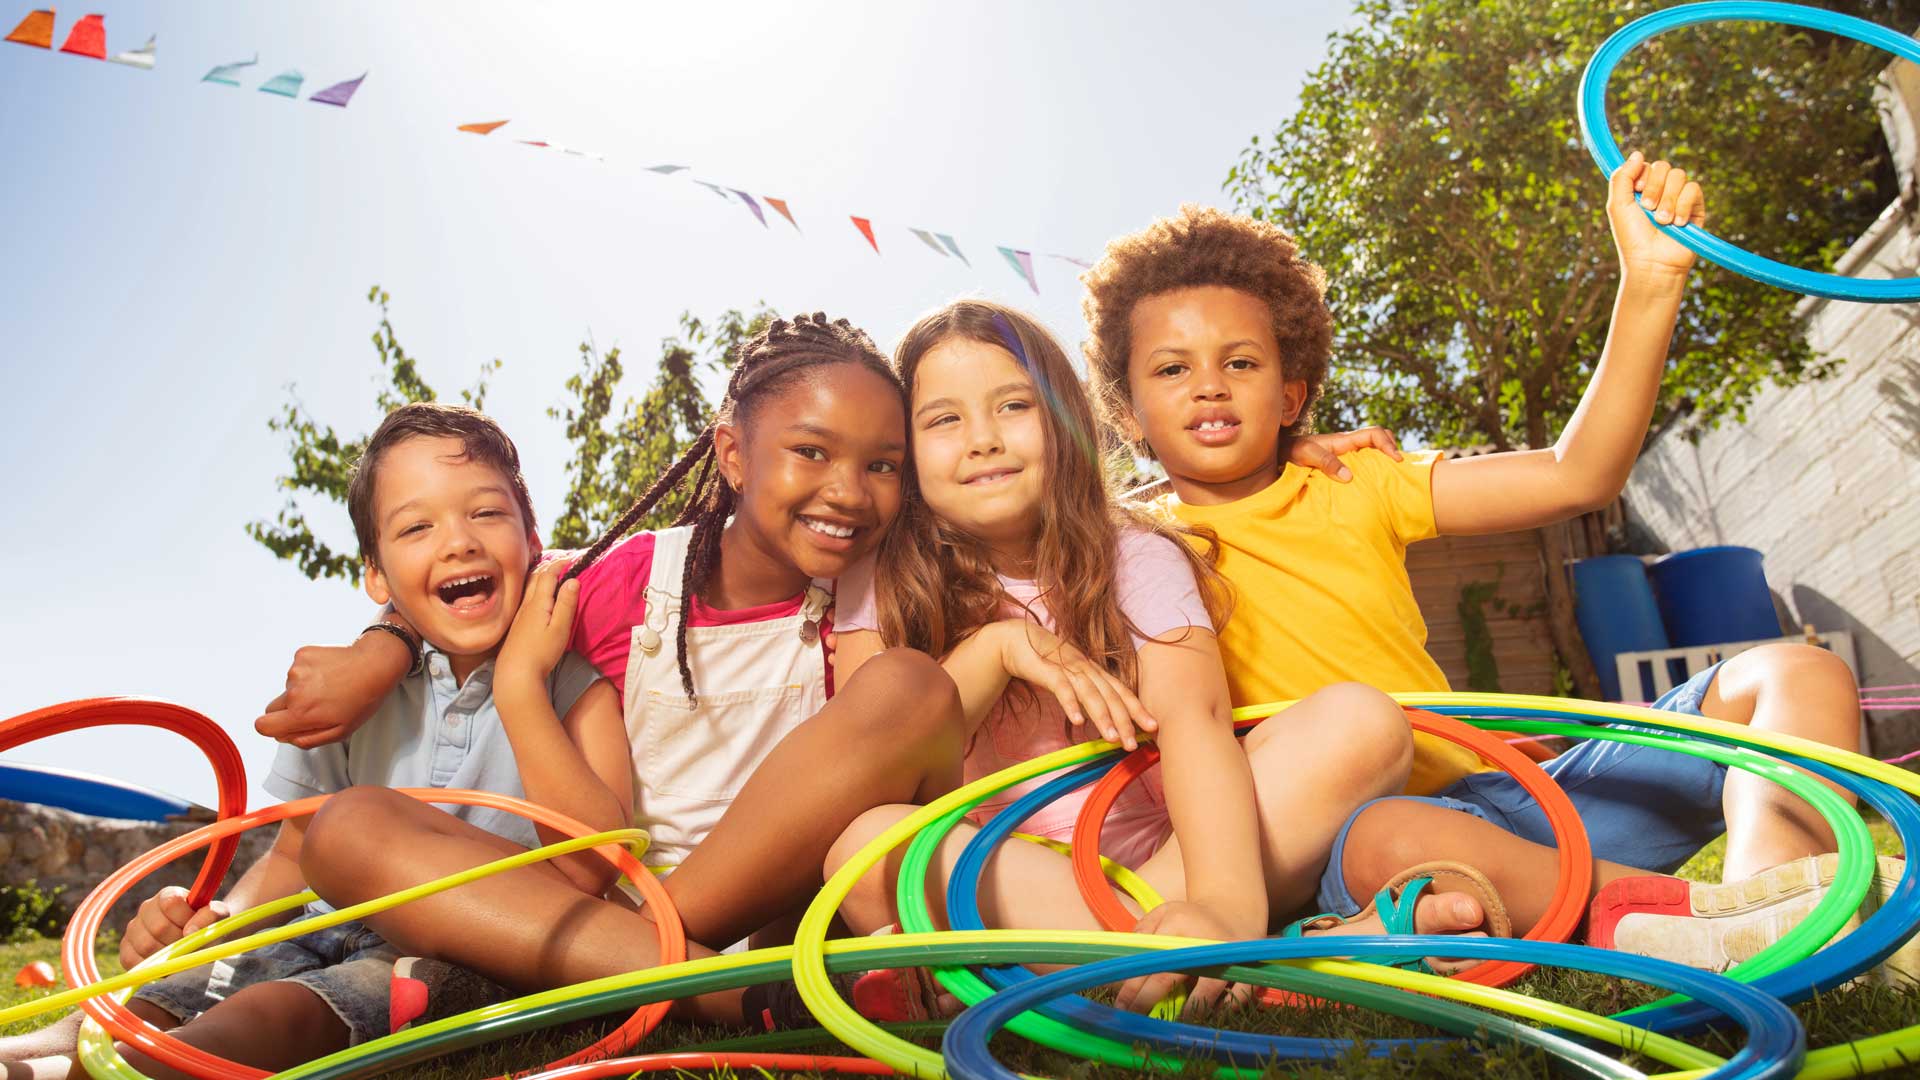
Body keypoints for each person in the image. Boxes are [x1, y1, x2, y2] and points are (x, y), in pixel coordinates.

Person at [1081, 154, 1902, 975]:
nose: (1210, 388)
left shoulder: (1354, 481)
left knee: (1798, 672)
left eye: (1242, 363)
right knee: (1394, 835)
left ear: (1291, 395)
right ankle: (1698, 925)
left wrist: (1649, 282)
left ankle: (1788, 897)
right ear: (1125, 411)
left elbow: (1578, 475)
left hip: (1514, 797)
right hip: (1370, 848)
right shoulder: (1128, 545)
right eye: (1171, 369)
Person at [271, 314, 977, 1031]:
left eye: (882, 465)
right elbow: (474, 590)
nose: (849, 491)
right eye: (810, 451)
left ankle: (619, 975)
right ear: (731, 455)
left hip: (769, 922)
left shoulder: (891, 588)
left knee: (911, 686)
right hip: (609, 915)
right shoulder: (621, 581)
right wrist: (381, 645)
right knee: (348, 826)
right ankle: (717, 988)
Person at [824, 300, 1505, 1018]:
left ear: (1064, 424)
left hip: (1171, 863)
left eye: (1014, 405)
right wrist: (997, 650)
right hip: (994, 876)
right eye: (944, 420)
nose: (984, 440)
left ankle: (1169, 951)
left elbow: (1197, 725)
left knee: (1362, 722)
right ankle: (1258, 959)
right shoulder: (877, 577)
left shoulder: (1135, 555)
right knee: (864, 845)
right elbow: (880, 763)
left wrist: (1219, 906)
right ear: (905, 449)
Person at [1, 402, 614, 1078]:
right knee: (154, 998)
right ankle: (38, 1061)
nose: (459, 542)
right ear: (376, 576)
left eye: (486, 514)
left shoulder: (574, 687)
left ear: (534, 538)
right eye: (416, 526)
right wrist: (220, 918)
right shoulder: (346, 701)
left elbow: (597, 863)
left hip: (458, 951)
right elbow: (292, 859)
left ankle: (138, 1071)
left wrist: (521, 690)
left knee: (283, 1013)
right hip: (319, 925)